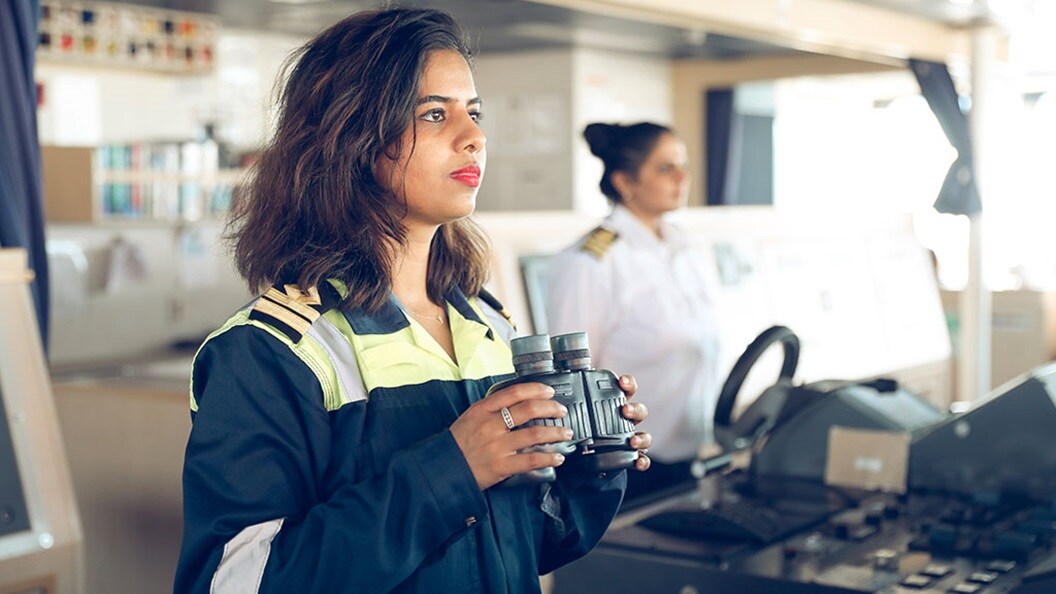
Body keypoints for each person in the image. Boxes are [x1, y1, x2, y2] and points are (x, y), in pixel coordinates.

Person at [174, 9, 652, 594]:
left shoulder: (487, 325)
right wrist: (454, 467)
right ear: (352, 137)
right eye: (434, 114)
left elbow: (530, 544)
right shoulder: (270, 352)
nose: (473, 135)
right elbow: (231, 582)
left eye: (474, 112)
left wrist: (591, 464)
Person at [546, 122, 721, 505]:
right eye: (665, 168)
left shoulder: (684, 247)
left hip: (689, 453)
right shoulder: (593, 261)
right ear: (625, 182)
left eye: (683, 165)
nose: (682, 177)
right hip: (631, 464)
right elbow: (574, 379)